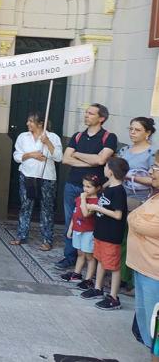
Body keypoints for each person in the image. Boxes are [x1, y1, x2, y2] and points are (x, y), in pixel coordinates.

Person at [58, 103, 118, 270]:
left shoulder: (109, 137)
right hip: (72, 185)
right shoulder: (77, 136)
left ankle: (92, 259)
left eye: (91, 113)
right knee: (72, 220)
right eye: (86, 113)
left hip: (95, 190)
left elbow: (101, 160)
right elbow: (65, 159)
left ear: (101, 118)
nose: (86, 116)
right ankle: (70, 257)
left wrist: (76, 155)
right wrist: (89, 162)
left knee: (93, 223)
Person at [80, 157, 129, 310]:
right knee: (100, 260)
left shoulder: (119, 191)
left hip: (111, 235)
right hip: (101, 233)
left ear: (111, 171)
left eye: (106, 167)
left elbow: (118, 215)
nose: (104, 169)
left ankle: (114, 297)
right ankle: (97, 288)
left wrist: (97, 209)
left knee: (113, 266)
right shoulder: (109, 188)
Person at [10, 111, 62, 250]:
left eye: (31, 121)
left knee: (47, 208)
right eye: (28, 121)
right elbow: (17, 155)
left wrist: (48, 143)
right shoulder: (23, 137)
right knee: (25, 206)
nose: (28, 123)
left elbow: (58, 157)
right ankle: (21, 235)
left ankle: (47, 239)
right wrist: (31, 155)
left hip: (46, 177)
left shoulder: (53, 137)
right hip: (27, 174)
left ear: (40, 124)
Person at [126, 150, 159, 358]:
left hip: (154, 272)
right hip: (142, 267)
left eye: (156, 168)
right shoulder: (154, 195)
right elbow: (135, 217)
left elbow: (150, 226)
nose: (151, 171)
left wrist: (136, 220)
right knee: (147, 324)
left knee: (155, 327)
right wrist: (137, 220)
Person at [118, 117, 156, 294]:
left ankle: (131, 279)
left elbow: (153, 180)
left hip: (139, 200)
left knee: (133, 240)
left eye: (137, 130)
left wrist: (131, 177)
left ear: (147, 133)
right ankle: (120, 274)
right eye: (131, 129)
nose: (132, 133)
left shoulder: (151, 153)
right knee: (120, 239)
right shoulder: (125, 150)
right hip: (121, 197)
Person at [60, 175, 101, 289]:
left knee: (89, 256)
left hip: (88, 232)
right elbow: (75, 213)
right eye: (84, 186)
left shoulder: (96, 202)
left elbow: (85, 213)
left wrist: (83, 199)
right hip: (78, 229)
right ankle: (76, 274)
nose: (85, 189)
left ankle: (88, 280)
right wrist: (71, 228)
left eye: (89, 187)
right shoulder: (79, 198)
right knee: (80, 253)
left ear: (97, 188)